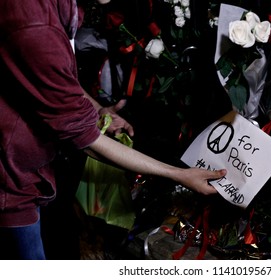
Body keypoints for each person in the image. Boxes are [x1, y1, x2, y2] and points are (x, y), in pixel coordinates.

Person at [0, 0, 226, 260]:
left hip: (32, 169)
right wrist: (179, 175)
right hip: (13, 182)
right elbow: (88, 140)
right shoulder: (36, 25)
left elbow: (54, 80)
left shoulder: (59, 10)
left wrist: (98, 110)